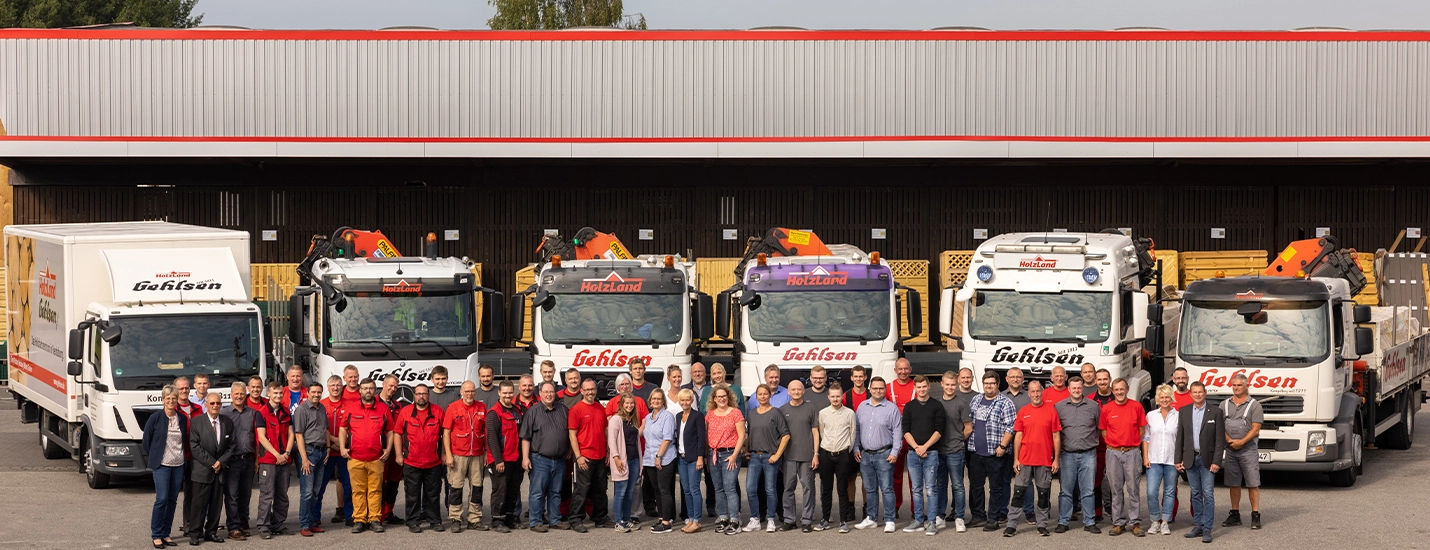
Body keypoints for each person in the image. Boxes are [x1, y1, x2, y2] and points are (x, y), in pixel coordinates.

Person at [1003, 381, 1060, 537]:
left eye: (1038, 391)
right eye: (1033, 392)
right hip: (1025, 459)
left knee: (1043, 493)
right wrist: (1016, 459)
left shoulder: (1051, 411)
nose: (1035, 394)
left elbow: (1056, 436)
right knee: (1019, 492)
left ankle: (1042, 525)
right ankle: (1012, 525)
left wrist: (1056, 459)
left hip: (1044, 460)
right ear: (1028, 393)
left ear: (1042, 392)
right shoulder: (1023, 411)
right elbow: (1018, 437)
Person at [340, 378, 393, 534]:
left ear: (375, 390)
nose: (368, 391)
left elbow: (390, 431)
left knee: (375, 490)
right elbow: (343, 428)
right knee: (358, 490)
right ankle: (359, 520)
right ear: (360, 390)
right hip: (355, 457)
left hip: (376, 458)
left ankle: (375, 519)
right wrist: (343, 447)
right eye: (365, 388)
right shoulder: (351, 408)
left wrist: (388, 449)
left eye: (370, 388)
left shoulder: (383, 409)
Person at [1176, 381, 1225, 543]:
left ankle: (1207, 529)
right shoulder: (1184, 411)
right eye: (1194, 392)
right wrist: (1178, 460)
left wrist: (1217, 460)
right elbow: (1180, 438)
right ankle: (1198, 525)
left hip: (1208, 460)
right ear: (1190, 394)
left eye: (1200, 392)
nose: (1197, 395)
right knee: (1195, 494)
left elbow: (1219, 440)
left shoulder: (1216, 412)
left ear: (1205, 393)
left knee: (1208, 494)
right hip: (1190, 458)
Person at [967, 371, 1016, 532]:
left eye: (992, 383)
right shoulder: (976, 400)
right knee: (976, 486)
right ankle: (979, 515)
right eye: (986, 383)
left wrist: (1002, 446)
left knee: (996, 487)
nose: (989, 386)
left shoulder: (1005, 403)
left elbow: (1011, 427)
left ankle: (993, 518)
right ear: (983, 384)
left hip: (996, 453)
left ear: (997, 384)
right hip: (976, 451)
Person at [1100, 378, 1148, 537]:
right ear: (1112, 391)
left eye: (1122, 389)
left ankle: (1135, 522)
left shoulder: (1136, 406)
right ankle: (1118, 522)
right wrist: (1114, 444)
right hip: (1113, 452)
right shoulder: (1106, 409)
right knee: (1116, 489)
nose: (1119, 392)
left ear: (1127, 389)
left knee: (1133, 488)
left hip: (1132, 452)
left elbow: (1141, 430)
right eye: (1116, 390)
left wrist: (1131, 444)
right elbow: (1104, 431)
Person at [143, 384, 188, 549]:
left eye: (174, 398)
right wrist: (156, 456)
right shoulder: (155, 418)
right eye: (168, 398)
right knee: (161, 499)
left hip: (178, 465)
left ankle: (166, 533)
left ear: (177, 401)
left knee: (172, 500)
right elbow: (146, 441)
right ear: (163, 400)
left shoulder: (182, 418)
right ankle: (156, 534)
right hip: (162, 465)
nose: (171, 401)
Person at [853, 377, 900, 533]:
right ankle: (871, 518)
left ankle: (890, 519)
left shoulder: (891, 408)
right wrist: (855, 448)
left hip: (884, 454)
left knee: (887, 488)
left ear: (884, 390)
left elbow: (898, 432)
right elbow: (857, 430)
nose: (878, 391)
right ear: (870, 389)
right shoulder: (862, 406)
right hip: (865, 455)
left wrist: (895, 451)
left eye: (881, 388)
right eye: (875, 388)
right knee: (870, 488)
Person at [1054, 377, 1101, 534]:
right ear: (1069, 389)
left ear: (1082, 388)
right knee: (1066, 490)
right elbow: (1055, 432)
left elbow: (1099, 427)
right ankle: (1063, 521)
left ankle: (1089, 522)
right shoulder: (1059, 407)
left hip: (1088, 454)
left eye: (1079, 388)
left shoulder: (1093, 406)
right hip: (1067, 455)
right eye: (1073, 388)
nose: (1076, 390)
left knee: (1088, 490)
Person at [523, 381, 571, 532]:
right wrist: (525, 458)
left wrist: (569, 449)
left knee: (556, 491)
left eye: (552, 392)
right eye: (546, 392)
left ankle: (555, 519)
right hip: (540, 459)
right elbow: (525, 437)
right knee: (537, 492)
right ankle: (536, 521)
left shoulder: (563, 410)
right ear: (540, 394)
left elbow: (570, 432)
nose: (549, 395)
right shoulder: (533, 412)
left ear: (555, 393)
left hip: (560, 460)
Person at [397, 384, 446, 533]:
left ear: (428, 395)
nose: (421, 397)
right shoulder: (405, 412)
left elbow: (445, 435)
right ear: (414, 396)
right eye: (418, 394)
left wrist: (444, 453)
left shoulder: (438, 411)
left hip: (433, 461)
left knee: (433, 493)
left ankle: (435, 520)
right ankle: (413, 521)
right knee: (412, 493)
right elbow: (398, 433)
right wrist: (399, 454)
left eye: (424, 394)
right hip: (412, 461)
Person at [188, 392, 235, 545]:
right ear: (206, 405)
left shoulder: (227, 422)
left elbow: (231, 446)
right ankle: (195, 533)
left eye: (218, 403)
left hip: (220, 470)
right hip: (202, 470)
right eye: (212, 403)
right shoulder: (196, 422)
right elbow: (194, 446)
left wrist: (220, 462)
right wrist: (212, 463)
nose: (215, 406)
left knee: (216, 504)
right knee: (199, 504)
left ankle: (211, 532)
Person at [901, 375, 945, 536]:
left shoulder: (937, 406)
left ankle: (932, 522)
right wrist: (916, 448)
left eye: (924, 386)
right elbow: (905, 430)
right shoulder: (909, 407)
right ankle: (918, 520)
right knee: (916, 489)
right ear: (915, 388)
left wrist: (925, 447)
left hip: (931, 453)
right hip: (913, 454)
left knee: (931, 489)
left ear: (928, 387)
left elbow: (939, 430)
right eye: (918, 387)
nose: (921, 390)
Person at [744, 384, 790, 533]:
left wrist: (777, 455)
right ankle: (755, 519)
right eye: (760, 394)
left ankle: (771, 519)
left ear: (769, 395)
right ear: (756, 396)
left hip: (770, 457)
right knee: (751, 488)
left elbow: (786, 435)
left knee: (770, 489)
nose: (762, 396)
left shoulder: (776, 413)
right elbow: (749, 433)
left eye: (765, 394)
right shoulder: (751, 413)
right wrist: (746, 449)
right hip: (754, 457)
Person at [568, 379, 613, 532]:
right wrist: (578, 456)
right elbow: (572, 435)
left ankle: (600, 517)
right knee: (581, 489)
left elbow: (605, 432)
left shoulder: (600, 408)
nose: (590, 392)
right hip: (584, 457)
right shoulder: (576, 410)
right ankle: (575, 519)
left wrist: (607, 452)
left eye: (592, 389)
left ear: (596, 390)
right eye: (587, 390)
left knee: (601, 489)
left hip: (600, 456)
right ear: (581, 391)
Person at [444, 380, 489, 532]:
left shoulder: (481, 407)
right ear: (461, 392)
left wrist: (486, 452)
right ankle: (456, 518)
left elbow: (485, 432)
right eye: (467, 391)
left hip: (477, 454)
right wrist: (448, 455)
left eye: (472, 391)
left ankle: (474, 519)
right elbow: (446, 432)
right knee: (456, 488)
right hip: (458, 455)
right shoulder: (453, 408)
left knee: (477, 487)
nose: (470, 394)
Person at [1221, 373, 1264, 531]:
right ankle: (1235, 513)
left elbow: (1256, 429)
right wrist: (1229, 441)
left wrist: (1241, 442)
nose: (1236, 388)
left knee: (1252, 483)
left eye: (1239, 385)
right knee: (1233, 483)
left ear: (1247, 386)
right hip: (1230, 449)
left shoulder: (1255, 405)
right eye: (1234, 385)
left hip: (1248, 449)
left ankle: (1255, 514)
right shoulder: (1224, 404)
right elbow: (1220, 426)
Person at [256, 381, 296, 539]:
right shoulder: (261, 412)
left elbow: (291, 434)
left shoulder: (286, 411)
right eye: (275, 393)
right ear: (269, 394)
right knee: (267, 494)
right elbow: (261, 437)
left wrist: (286, 453)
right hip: (269, 460)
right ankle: (263, 526)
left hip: (285, 459)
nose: (278, 396)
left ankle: (278, 524)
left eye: (280, 393)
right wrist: (277, 455)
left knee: (282, 494)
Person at [220, 382, 260, 541]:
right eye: (236, 393)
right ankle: (233, 527)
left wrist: (257, 460)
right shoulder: (224, 414)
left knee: (245, 494)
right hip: (232, 461)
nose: (239, 396)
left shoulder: (252, 413)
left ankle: (242, 522)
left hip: (249, 460)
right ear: (231, 395)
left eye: (242, 393)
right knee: (232, 495)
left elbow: (256, 438)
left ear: (246, 394)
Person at [816, 383, 857, 533]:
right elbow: (821, 432)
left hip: (843, 455)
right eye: (832, 396)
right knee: (826, 489)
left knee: (842, 489)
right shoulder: (823, 413)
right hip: (826, 454)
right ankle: (825, 519)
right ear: (828, 397)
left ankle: (843, 521)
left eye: (838, 396)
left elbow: (853, 434)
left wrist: (846, 450)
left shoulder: (850, 413)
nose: (835, 399)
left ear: (842, 396)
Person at [935, 370, 973, 533]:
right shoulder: (936, 403)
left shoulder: (962, 403)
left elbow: (968, 428)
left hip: (956, 451)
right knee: (940, 485)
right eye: (947, 384)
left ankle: (959, 517)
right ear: (942, 384)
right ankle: (940, 517)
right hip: (938, 451)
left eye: (953, 385)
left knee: (957, 485)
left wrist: (957, 440)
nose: (950, 387)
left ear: (956, 385)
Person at [781, 380, 821, 532]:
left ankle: (806, 520)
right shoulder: (782, 410)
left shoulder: (811, 408)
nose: (796, 392)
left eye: (799, 389)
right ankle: (789, 519)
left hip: (807, 456)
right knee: (788, 489)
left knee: (808, 488)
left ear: (803, 391)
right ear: (789, 392)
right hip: (789, 456)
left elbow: (815, 432)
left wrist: (816, 454)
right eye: (793, 389)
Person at [706, 385, 746, 535]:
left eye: (724, 396)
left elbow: (742, 435)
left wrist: (735, 455)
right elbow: (706, 435)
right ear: (714, 399)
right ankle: (723, 518)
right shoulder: (710, 414)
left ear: (728, 397)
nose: (721, 399)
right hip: (713, 454)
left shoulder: (736, 413)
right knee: (718, 488)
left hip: (730, 454)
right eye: (718, 396)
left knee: (730, 488)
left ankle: (735, 520)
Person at [486, 381, 524, 533]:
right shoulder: (494, 413)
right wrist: (498, 460)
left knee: (513, 490)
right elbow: (492, 439)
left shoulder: (517, 411)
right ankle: (497, 520)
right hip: (501, 460)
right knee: (499, 490)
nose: (508, 395)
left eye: (510, 392)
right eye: (505, 392)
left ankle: (509, 518)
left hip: (516, 458)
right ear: (499, 393)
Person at [293, 382, 330, 537]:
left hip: (321, 452)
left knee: (316, 491)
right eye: (313, 392)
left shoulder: (322, 408)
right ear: (307, 392)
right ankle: (304, 524)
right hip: (309, 452)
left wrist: (328, 448)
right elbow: (299, 435)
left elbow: (326, 430)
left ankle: (313, 521)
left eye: (319, 392)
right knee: (307, 492)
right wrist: (304, 459)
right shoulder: (301, 410)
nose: (316, 394)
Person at [642, 389, 679, 533]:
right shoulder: (648, 418)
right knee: (656, 489)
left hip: (664, 458)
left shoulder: (667, 416)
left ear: (663, 401)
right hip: (649, 459)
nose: (656, 401)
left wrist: (659, 456)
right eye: (653, 399)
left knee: (664, 490)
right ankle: (661, 517)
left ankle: (667, 522)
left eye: (659, 399)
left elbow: (667, 438)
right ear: (650, 401)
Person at [1144, 384, 1179, 536]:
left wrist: (1181, 459)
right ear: (1157, 399)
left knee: (1170, 492)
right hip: (1154, 459)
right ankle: (1154, 520)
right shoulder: (1151, 415)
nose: (1164, 400)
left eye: (1167, 397)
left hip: (1172, 459)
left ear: (1171, 398)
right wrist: (1145, 457)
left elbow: (1181, 439)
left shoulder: (1179, 416)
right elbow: (1146, 437)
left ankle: (1165, 522)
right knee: (1151, 492)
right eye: (1161, 397)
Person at [320, 375, 353, 527]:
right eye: (332, 385)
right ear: (328, 387)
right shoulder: (321, 405)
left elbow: (352, 428)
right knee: (320, 486)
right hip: (326, 451)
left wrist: (342, 444)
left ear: (342, 386)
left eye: (338, 385)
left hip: (344, 451)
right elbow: (320, 428)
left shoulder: (350, 405)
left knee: (348, 485)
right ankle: (315, 517)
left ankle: (349, 515)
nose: (335, 388)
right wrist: (332, 442)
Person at [608, 393, 643, 532]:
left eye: (631, 403)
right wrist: (616, 458)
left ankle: (627, 519)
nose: (629, 405)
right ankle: (618, 521)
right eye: (627, 403)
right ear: (622, 404)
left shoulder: (633, 419)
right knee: (621, 491)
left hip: (634, 459)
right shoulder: (616, 419)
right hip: (622, 460)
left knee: (630, 491)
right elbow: (612, 440)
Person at [886, 359, 916, 518]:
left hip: (912, 438)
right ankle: (894, 509)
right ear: (895, 370)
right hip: (894, 439)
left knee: (914, 477)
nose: (903, 372)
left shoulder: (916, 386)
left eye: (906, 369)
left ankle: (915, 510)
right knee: (895, 476)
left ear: (910, 369)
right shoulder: (887, 387)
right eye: (900, 369)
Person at [675, 388, 707, 533]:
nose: (685, 402)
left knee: (694, 489)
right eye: (682, 400)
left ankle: (697, 521)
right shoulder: (678, 416)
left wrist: (701, 457)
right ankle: (690, 518)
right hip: (681, 458)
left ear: (692, 401)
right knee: (686, 490)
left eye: (687, 400)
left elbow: (701, 438)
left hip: (694, 458)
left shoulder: (697, 416)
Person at [1003, 368, 1033, 523]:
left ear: (1023, 380)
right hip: (1005, 444)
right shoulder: (1000, 396)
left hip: (1025, 444)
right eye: (1012, 377)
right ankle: (1003, 510)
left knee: (1026, 480)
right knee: (1005, 479)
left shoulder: (1029, 397)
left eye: (1018, 377)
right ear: (1007, 379)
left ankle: (1029, 511)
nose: (1015, 379)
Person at [377, 375, 406, 525]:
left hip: (396, 450)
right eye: (390, 385)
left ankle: (388, 512)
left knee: (394, 483)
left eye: (395, 386)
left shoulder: (397, 406)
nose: (393, 389)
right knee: (380, 484)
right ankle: (378, 515)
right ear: (383, 384)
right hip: (380, 450)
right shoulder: (374, 403)